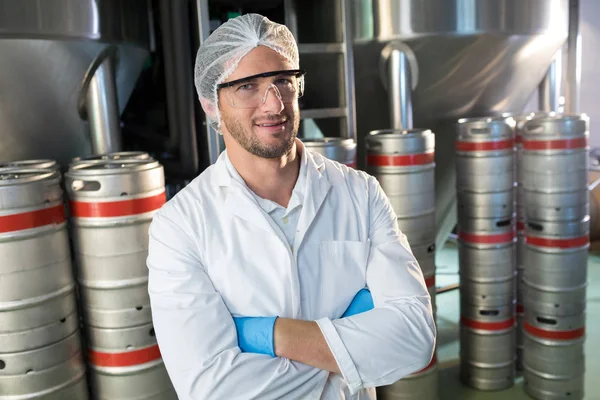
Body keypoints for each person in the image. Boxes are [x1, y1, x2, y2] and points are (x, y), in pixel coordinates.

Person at [147, 13, 436, 400]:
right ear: (211, 105)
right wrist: (349, 347)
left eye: (282, 80)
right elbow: (211, 389)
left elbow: (415, 338)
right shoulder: (179, 226)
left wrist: (268, 335)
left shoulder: (360, 193)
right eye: (247, 86)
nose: (274, 104)